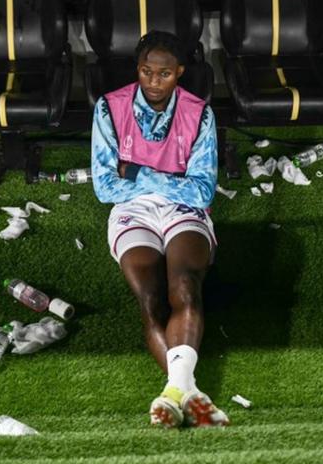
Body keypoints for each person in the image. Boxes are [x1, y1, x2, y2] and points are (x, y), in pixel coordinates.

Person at [91, 31, 229, 428]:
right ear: (138, 70)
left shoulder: (200, 113)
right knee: (151, 299)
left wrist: (138, 171)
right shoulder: (108, 108)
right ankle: (187, 391)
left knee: (184, 286)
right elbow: (105, 187)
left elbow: (201, 190)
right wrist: (169, 175)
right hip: (132, 212)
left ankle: (174, 393)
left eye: (164, 74)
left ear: (179, 73)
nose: (153, 81)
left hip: (183, 209)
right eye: (146, 71)